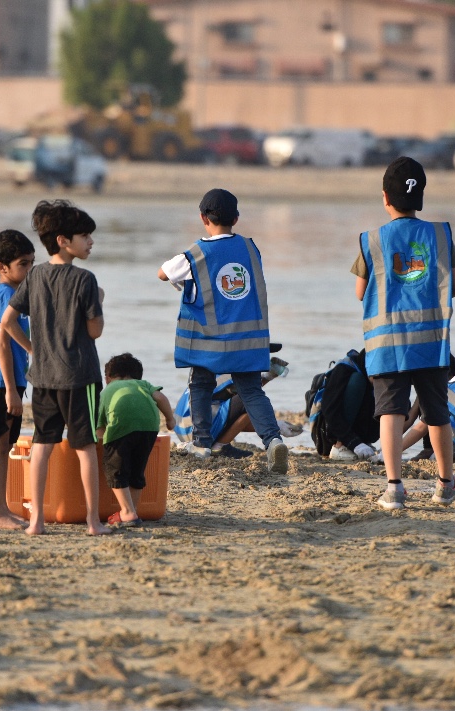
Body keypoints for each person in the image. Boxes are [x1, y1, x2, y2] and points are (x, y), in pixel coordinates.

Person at [353, 156, 455, 510]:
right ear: (421, 197)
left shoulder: (372, 240)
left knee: (391, 413)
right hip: (431, 345)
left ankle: (394, 489)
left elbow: (360, 292)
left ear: (385, 197)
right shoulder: (440, 235)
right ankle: (445, 484)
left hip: (386, 345)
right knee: (437, 414)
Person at [157, 188, 289, 475]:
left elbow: (163, 273)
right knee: (252, 392)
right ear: (236, 219)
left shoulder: (196, 253)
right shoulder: (251, 248)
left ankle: (202, 443)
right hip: (247, 340)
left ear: (203, 218)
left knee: (200, 384)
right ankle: (273, 440)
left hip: (209, 341)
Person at [0, 199, 111, 536]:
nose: (90, 242)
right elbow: (95, 331)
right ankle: (92, 522)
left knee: (42, 446)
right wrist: (99, 302)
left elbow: (7, 321)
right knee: (86, 447)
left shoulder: (35, 275)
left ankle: (36, 522)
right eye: (85, 236)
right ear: (63, 240)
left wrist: (34, 349)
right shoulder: (85, 280)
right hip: (80, 377)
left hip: (44, 377)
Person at [0, 229, 36, 530]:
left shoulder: (15, 296)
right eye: (23, 264)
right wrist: (11, 389)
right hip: (0, 382)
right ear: (2, 267)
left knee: (5, 445)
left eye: (32, 263)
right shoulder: (4, 295)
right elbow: (3, 342)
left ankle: (1, 509)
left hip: (11, 381)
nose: (29, 270)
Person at [95, 353, 175, 527]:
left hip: (121, 428)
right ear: (137, 375)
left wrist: (102, 444)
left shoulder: (107, 391)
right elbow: (160, 398)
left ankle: (127, 512)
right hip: (149, 428)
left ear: (108, 377)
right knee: (136, 471)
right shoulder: (143, 385)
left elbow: (99, 425)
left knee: (115, 470)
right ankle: (133, 510)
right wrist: (170, 419)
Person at [173, 355, 302, 459]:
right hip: (196, 432)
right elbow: (248, 394)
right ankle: (220, 447)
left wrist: (275, 426)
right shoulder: (228, 372)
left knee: (247, 409)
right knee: (250, 403)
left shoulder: (210, 370)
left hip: (186, 429)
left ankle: (219, 443)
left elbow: (237, 414)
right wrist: (275, 427)